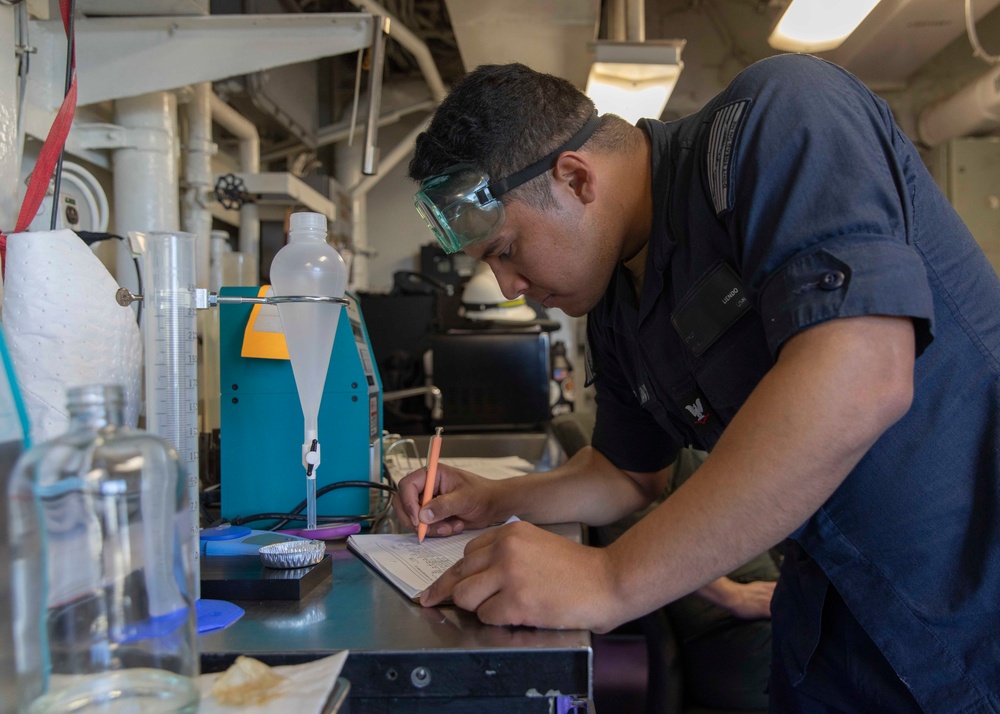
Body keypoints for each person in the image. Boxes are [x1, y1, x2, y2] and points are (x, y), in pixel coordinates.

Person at [395, 54, 1000, 712]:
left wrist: (610, 577)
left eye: (506, 251)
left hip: (972, 595)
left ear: (574, 178)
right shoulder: (614, 304)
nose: (508, 288)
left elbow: (861, 376)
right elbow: (630, 475)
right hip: (828, 622)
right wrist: (495, 498)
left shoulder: (781, 118)